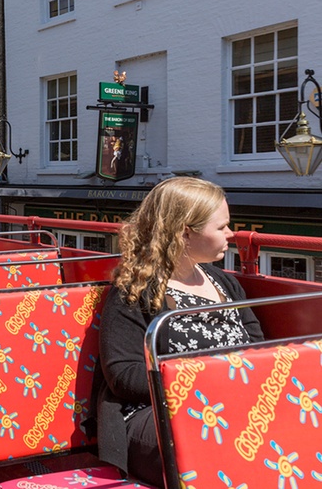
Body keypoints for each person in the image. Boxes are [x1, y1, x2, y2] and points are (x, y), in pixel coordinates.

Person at [95, 177, 264, 487]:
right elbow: (123, 374)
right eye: (222, 227)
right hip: (158, 413)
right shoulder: (135, 290)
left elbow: (256, 345)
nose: (231, 234)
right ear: (185, 232)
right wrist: (204, 381)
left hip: (231, 403)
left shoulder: (224, 283)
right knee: (221, 440)